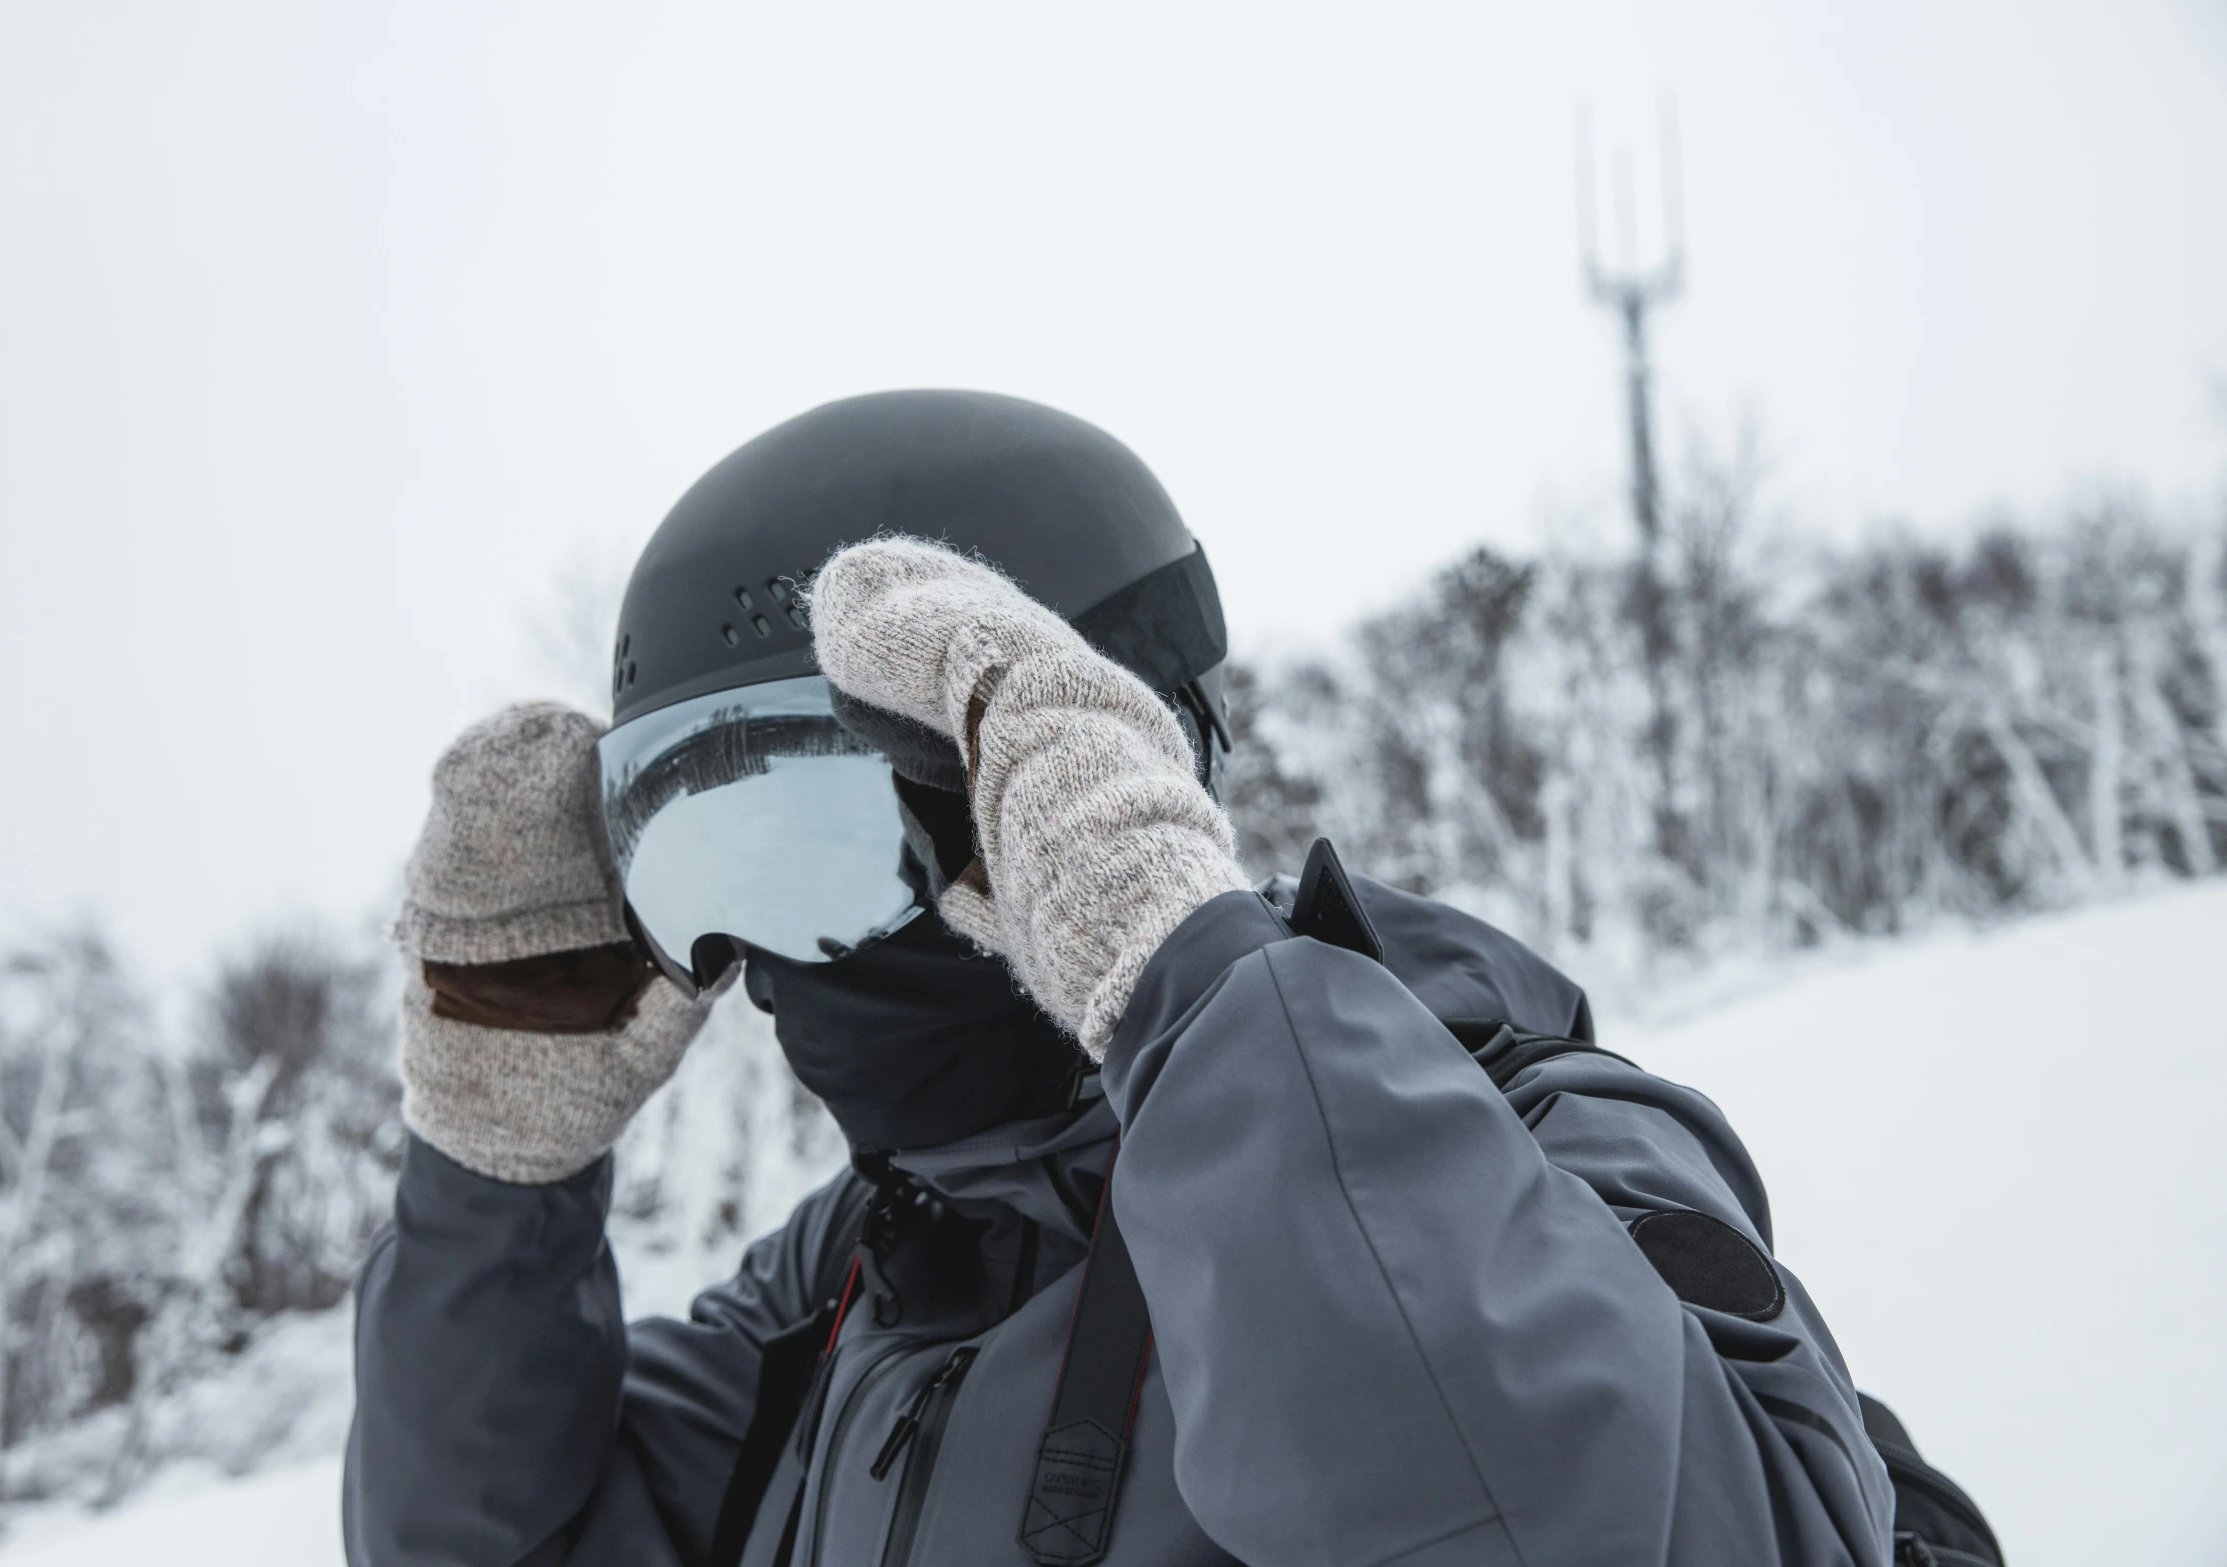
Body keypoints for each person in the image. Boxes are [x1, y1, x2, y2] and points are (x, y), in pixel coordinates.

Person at [344, 390, 1897, 1567]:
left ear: (1068, 785)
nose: (775, 968)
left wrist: (1179, 972)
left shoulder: (1536, 1134)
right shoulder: (848, 1280)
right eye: (709, 867)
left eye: (840, 830)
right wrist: (497, 1171)